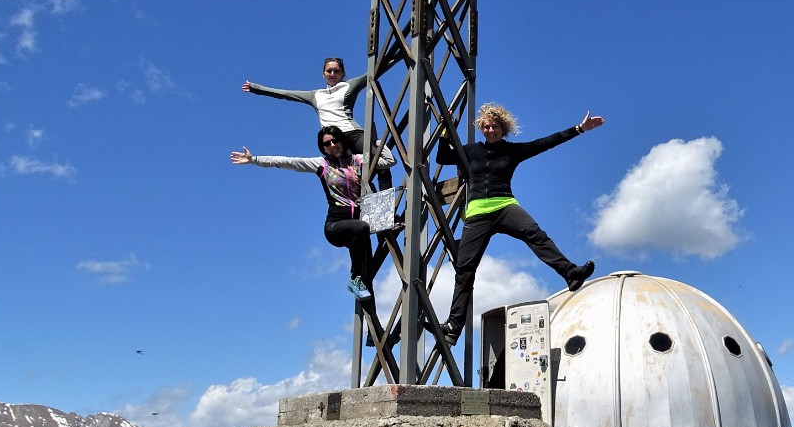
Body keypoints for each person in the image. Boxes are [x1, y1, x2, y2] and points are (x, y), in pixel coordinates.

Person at [435, 103, 604, 345]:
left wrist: (579, 128)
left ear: (503, 129)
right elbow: (443, 156)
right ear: (482, 128)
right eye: (486, 126)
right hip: (477, 212)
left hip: (504, 205)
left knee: (534, 233)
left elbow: (547, 142)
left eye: (494, 126)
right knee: (465, 269)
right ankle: (453, 326)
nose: (490, 130)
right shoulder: (471, 151)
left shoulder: (512, 151)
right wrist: (443, 130)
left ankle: (571, 274)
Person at [230, 125, 396, 335]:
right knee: (362, 232)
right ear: (323, 148)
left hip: (357, 229)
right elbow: (288, 162)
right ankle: (354, 278)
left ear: (342, 141)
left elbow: (389, 161)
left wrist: (377, 144)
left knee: (367, 276)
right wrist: (255, 160)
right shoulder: (322, 165)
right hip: (336, 226)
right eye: (327, 144)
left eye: (335, 140)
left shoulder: (358, 160)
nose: (332, 146)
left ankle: (375, 332)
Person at [242, 57, 367, 154]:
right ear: (323, 74)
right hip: (333, 140)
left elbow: (375, 70)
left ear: (343, 74)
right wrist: (256, 88)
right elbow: (286, 94)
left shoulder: (350, 85)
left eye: (336, 71)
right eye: (329, 71)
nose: (332, 74)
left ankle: (386, 187)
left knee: (376, 157)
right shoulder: (315, 95)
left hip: (352, 133)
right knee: (352, 175)